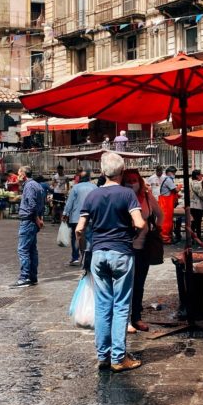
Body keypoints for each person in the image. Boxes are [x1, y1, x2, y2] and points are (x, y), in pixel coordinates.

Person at [76, 151, 146, 372]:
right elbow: (140, 223)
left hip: (98, 254)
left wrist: (82, 250)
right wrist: (131, 236)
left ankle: (103, 356)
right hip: (121, 253)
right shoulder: (127, 194)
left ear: (102, 172)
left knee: (103, 306)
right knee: (121, 306)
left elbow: (79, 229)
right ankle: (118, 357)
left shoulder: (92, 196)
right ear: (122, 172)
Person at [123, 168, 162, 333]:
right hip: (125, 247)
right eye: (129, 180)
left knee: (139, 284)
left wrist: (156, 229)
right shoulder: (121, 196)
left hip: (144, 246)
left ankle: (136, 317)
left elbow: (161, 214)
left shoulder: (147, 197)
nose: (132, 183)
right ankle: (124, 320)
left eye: (134, 180)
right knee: (124, 286)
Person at [12, 166, 46, 288]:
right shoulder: (37, 185)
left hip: (28, 221)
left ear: (24, 175)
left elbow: (32, 205)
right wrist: (39, 219)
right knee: (31, 249)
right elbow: (42, 203)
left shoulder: (30, 186)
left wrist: (37, 219)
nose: (17, 176)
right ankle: (32, 276)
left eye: (18, 173)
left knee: (23, 249)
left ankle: (24, 277)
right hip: (32, 221)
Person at [63, 169, 95, 268]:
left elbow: (70, 202)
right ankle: (88, 257)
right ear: (89, 178)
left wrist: (65, 213)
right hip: (90, 217)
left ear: (79, 178)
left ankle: (75, 258)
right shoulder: (95, 187)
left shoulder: (75, 188)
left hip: (76, 217)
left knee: (76, 238)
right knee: (89, 237)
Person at [156, 167, 178, 243]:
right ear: (169, 172)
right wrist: (179, 187)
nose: (174, 174)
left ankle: (167, 237)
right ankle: (165, 238)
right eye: (173, 173)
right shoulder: (168, 180)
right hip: (165, 204)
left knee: (167, 221)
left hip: (166, 203)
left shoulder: (167, 179)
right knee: (166, 222)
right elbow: (175, 190)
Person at [189, 169, 203, 241]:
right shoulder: (197, 183)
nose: (202, 176)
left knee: (193, 222)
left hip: (192, 205)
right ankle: (198, 238)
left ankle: (192, 238)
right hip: (197, 205)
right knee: (197, 223)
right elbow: (201, 194)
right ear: (197, 176)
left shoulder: (190, 182)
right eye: (201, 174)